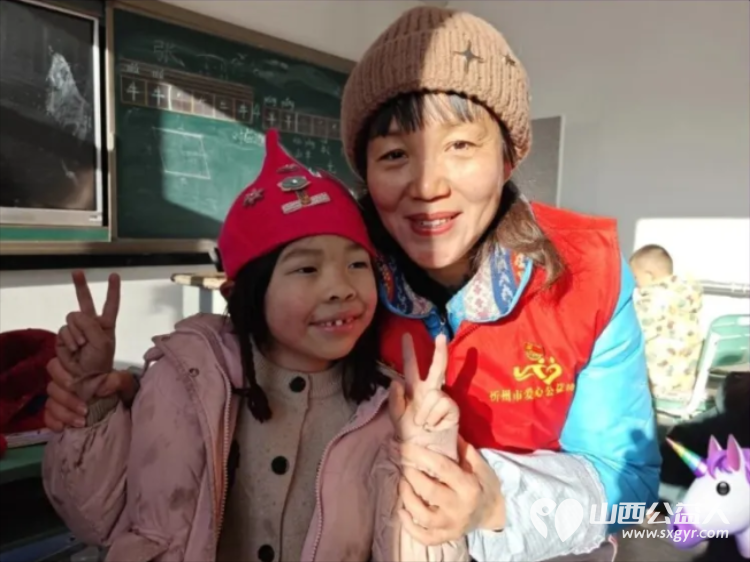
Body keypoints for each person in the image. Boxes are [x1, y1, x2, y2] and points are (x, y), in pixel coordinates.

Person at [47, 6, 661, 562]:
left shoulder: (587, 274)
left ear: (508, 158)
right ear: (364, 169)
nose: (428, 186)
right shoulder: (339, 260)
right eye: (395, 154)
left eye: (460, 145)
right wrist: (138, 405)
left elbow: (633, 492)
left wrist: (496, 504)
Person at [41, 130, 468, 562]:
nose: (341, 288)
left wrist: (427, 451)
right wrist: (91, 403)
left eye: (357, 264)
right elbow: (94, 521)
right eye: (306, 269)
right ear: (242, 293)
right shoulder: (182, 381)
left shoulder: (387, 410)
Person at [630, 244, 703, 401]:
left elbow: (634, 333)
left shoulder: (654, 301)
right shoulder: (686, 295)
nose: (635, 283)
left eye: (635, 277)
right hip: (685, 381)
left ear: (649, 276)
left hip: (658, 383)